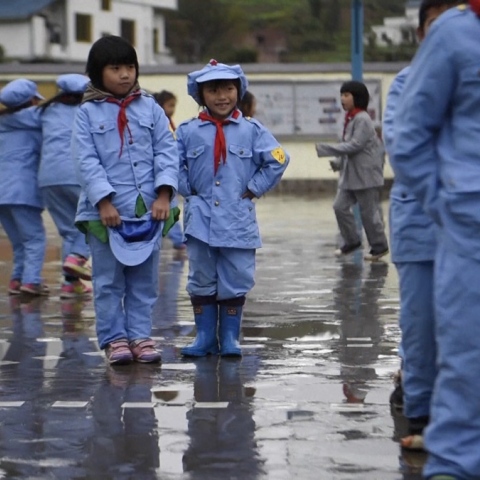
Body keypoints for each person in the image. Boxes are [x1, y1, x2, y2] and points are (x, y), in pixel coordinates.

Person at [392, 3, 480, 479]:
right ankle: (443, 443)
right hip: (465, 227)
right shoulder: (458, 35)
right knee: (456, 347)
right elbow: (406, 140)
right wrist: (450, 206)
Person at [72, 35, 179, 365]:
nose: (124, 75)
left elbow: (167, 150)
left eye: (130, 67)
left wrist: (164, 195)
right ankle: (114, 340)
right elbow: (85, 159)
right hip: (104, 213)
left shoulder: (151, 108)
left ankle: (141, 337)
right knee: (107, 281)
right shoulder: (86, 113)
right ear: (97, 72)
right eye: (115, 68)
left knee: (144, 282)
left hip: (149, 211)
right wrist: (103, 202)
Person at [177, 59, 289, 358]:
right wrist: (188, 190)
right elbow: (171, 163)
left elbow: (279, 158)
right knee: (201, 275)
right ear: (201, 95)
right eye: (213, 90)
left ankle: (229, 338)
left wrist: (253, 188)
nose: (222, 96)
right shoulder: (188, 131)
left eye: (228, 88)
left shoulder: (252, 130)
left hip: (238, 219)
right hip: (200, 219)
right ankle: (203, 337)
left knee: (236, 276)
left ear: (239, 91)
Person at [315, 81, 389, 261]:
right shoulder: (350, 118)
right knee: (339, 207)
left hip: (365, 176)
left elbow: (355, 145)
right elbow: (349, 146)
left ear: (358, 98)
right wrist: (338, 163)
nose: (343, 99)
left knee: (368, 214)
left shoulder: (362, 118)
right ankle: (352, 241)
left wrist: (326, 149)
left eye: (347, 95)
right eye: (342, 95)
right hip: (351, 176)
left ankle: (379, 246)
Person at [38, 73, 93, 299]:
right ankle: (78, 257)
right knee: (94, 220)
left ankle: (71, 284)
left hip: (48, 178)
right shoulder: (89, 110)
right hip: (76, 174)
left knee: (70, 231)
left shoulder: (46, 112)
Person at [0, 79, 49, 296]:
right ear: (32, 100)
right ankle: (31, 282)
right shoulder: (36, 127)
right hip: (23, 190)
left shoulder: (2, 125)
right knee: (34, 239)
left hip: (1, 192)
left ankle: (16, 280)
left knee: (18, 241)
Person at [152, 90, 187, 252]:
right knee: (170, 207)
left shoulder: (170, 124)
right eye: (170, 105)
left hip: (169, 173)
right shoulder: (158, 124)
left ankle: (177, 241)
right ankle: (179, 242)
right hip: (161, 175)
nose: (172, 109)